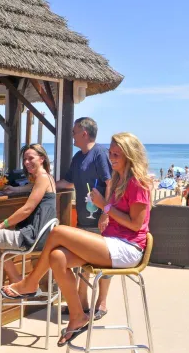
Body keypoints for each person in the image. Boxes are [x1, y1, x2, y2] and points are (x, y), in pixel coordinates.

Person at [0, 133, 151, 346]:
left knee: (59, 232)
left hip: (128, 248)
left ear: (129, 155)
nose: (111, 158)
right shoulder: (119, 180)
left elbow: (136, 224)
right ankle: (77, 315)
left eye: (116, 154)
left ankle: (30, 283)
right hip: (111, 243)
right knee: (57, 257)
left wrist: (104, 207)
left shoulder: (137, 183)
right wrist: (105, 208)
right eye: (110, 153)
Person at [0, 144, 57, 295]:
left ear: (42, 158)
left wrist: (1, 224)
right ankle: (18, 281)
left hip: (33, 237)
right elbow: (32, 187)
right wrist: (16, 189)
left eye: (31, 158)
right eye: (25, 159)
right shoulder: (46, 178)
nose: (26, 162)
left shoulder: (42, 178)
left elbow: (27, 209)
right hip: (42, 237)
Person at [56, 117, 112, 319]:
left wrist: (106, 211)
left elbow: (110, 182)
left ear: (84, 133)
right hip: (82, 217)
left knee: (103, 261)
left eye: (74, 132)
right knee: (82, 260)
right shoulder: (78, 157)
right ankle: (82, 302)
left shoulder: (100, 154)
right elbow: (68, 182)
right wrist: (44, 184)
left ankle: (102, 303)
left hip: (101, 219)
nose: (72, 135)